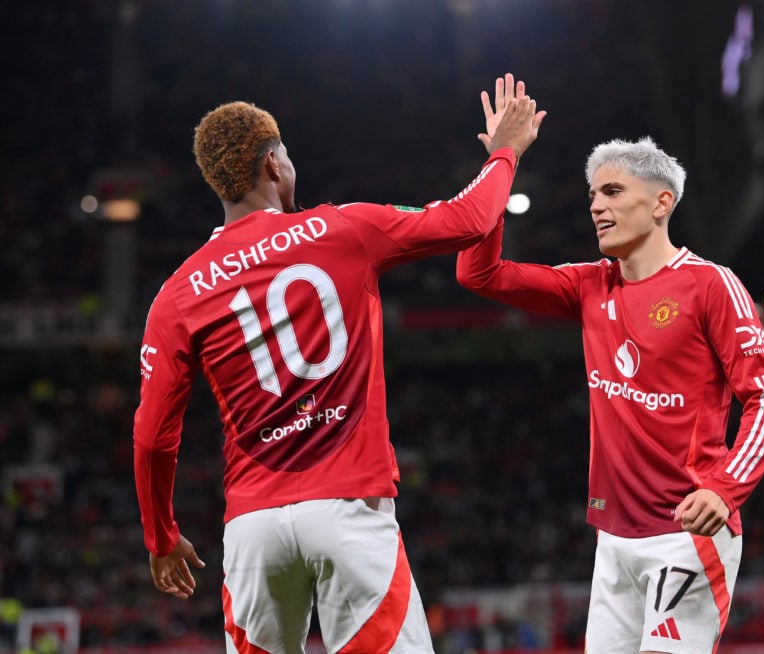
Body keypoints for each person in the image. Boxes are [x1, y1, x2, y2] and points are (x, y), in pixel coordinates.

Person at [132, 91, 545, 653]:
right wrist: (505, 153)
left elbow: (153, 437)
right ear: (274, 163)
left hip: (254, 527)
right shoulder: (341, 229)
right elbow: (470, 219)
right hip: (350, 509)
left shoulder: (177, 293)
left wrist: (162, 536)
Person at [457, 74, 764, 653]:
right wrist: (502, 161)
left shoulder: (710, 284)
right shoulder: (589, 286)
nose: (596, 206)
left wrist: (726, 487)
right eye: (592, 196)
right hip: (613, 538)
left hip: (686, 532)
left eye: (612, 192)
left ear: (662, 203)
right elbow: (476, 272)